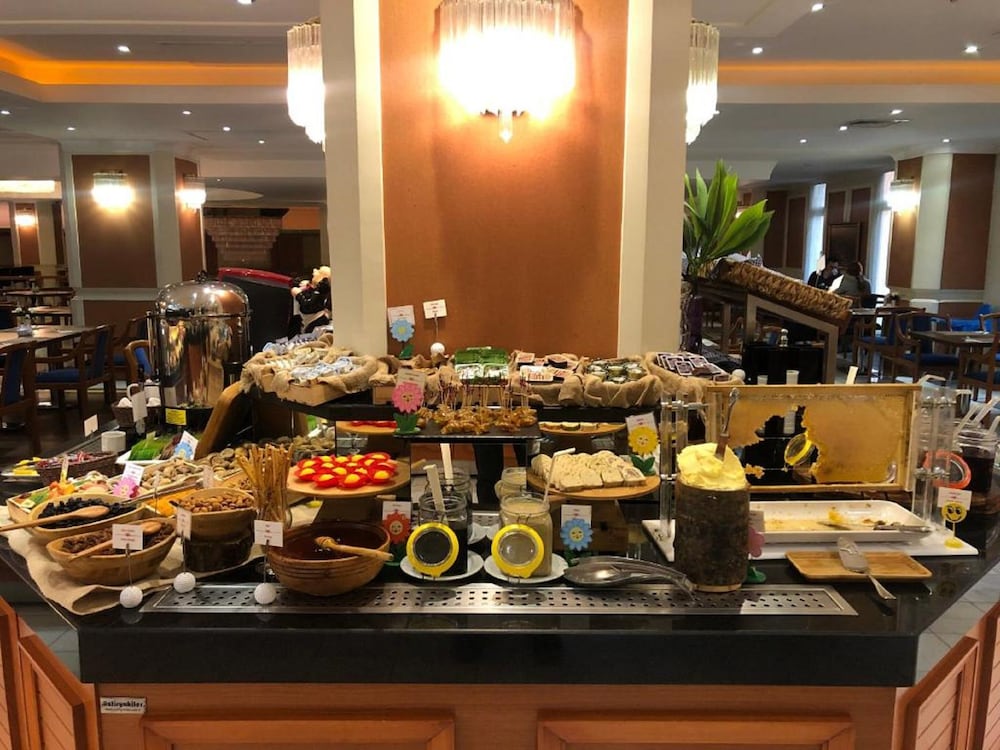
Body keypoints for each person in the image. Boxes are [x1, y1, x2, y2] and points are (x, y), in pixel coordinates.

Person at [288, 265, 332, 336]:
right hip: (308, 318)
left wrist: (298, 295)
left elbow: (307, 305)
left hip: (315, 319)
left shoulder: (320, 292)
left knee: (310, 334)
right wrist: (308, 285)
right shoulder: (315, 289)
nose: (315, 270)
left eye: (319, 271)